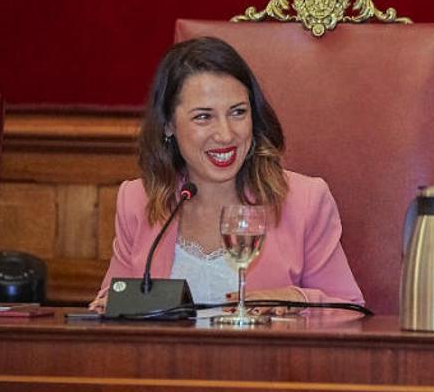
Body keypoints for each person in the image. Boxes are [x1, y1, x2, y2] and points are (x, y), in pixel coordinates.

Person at [89, 36, 364, 315]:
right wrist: (108, 306)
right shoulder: (138, 200)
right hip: (162, 359)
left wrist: (293, 301)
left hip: (268, 359)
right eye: (203, 117)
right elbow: (113, 304)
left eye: (237, 112)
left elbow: (349, 310)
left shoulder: (304, 201)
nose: (226, 134)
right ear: (169, 125)